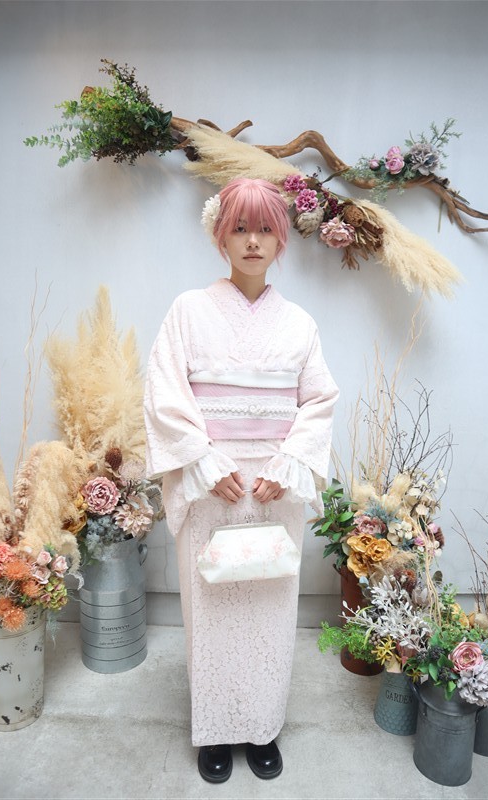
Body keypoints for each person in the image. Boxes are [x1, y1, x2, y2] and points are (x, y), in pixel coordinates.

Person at [144, 177, 339, 783]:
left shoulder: (299, 323)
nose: (252, 241)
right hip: (212, 486)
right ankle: (215, 730)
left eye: (265, 230)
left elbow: (319, 401)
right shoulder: (188, 311)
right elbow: (164, 393)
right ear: (220, 236)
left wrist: (290, 462)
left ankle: (262, 726)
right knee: (212, 610)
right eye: (240, 228)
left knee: (269, 610)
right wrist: (202, 461)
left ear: (281, 240)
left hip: (275, 488)